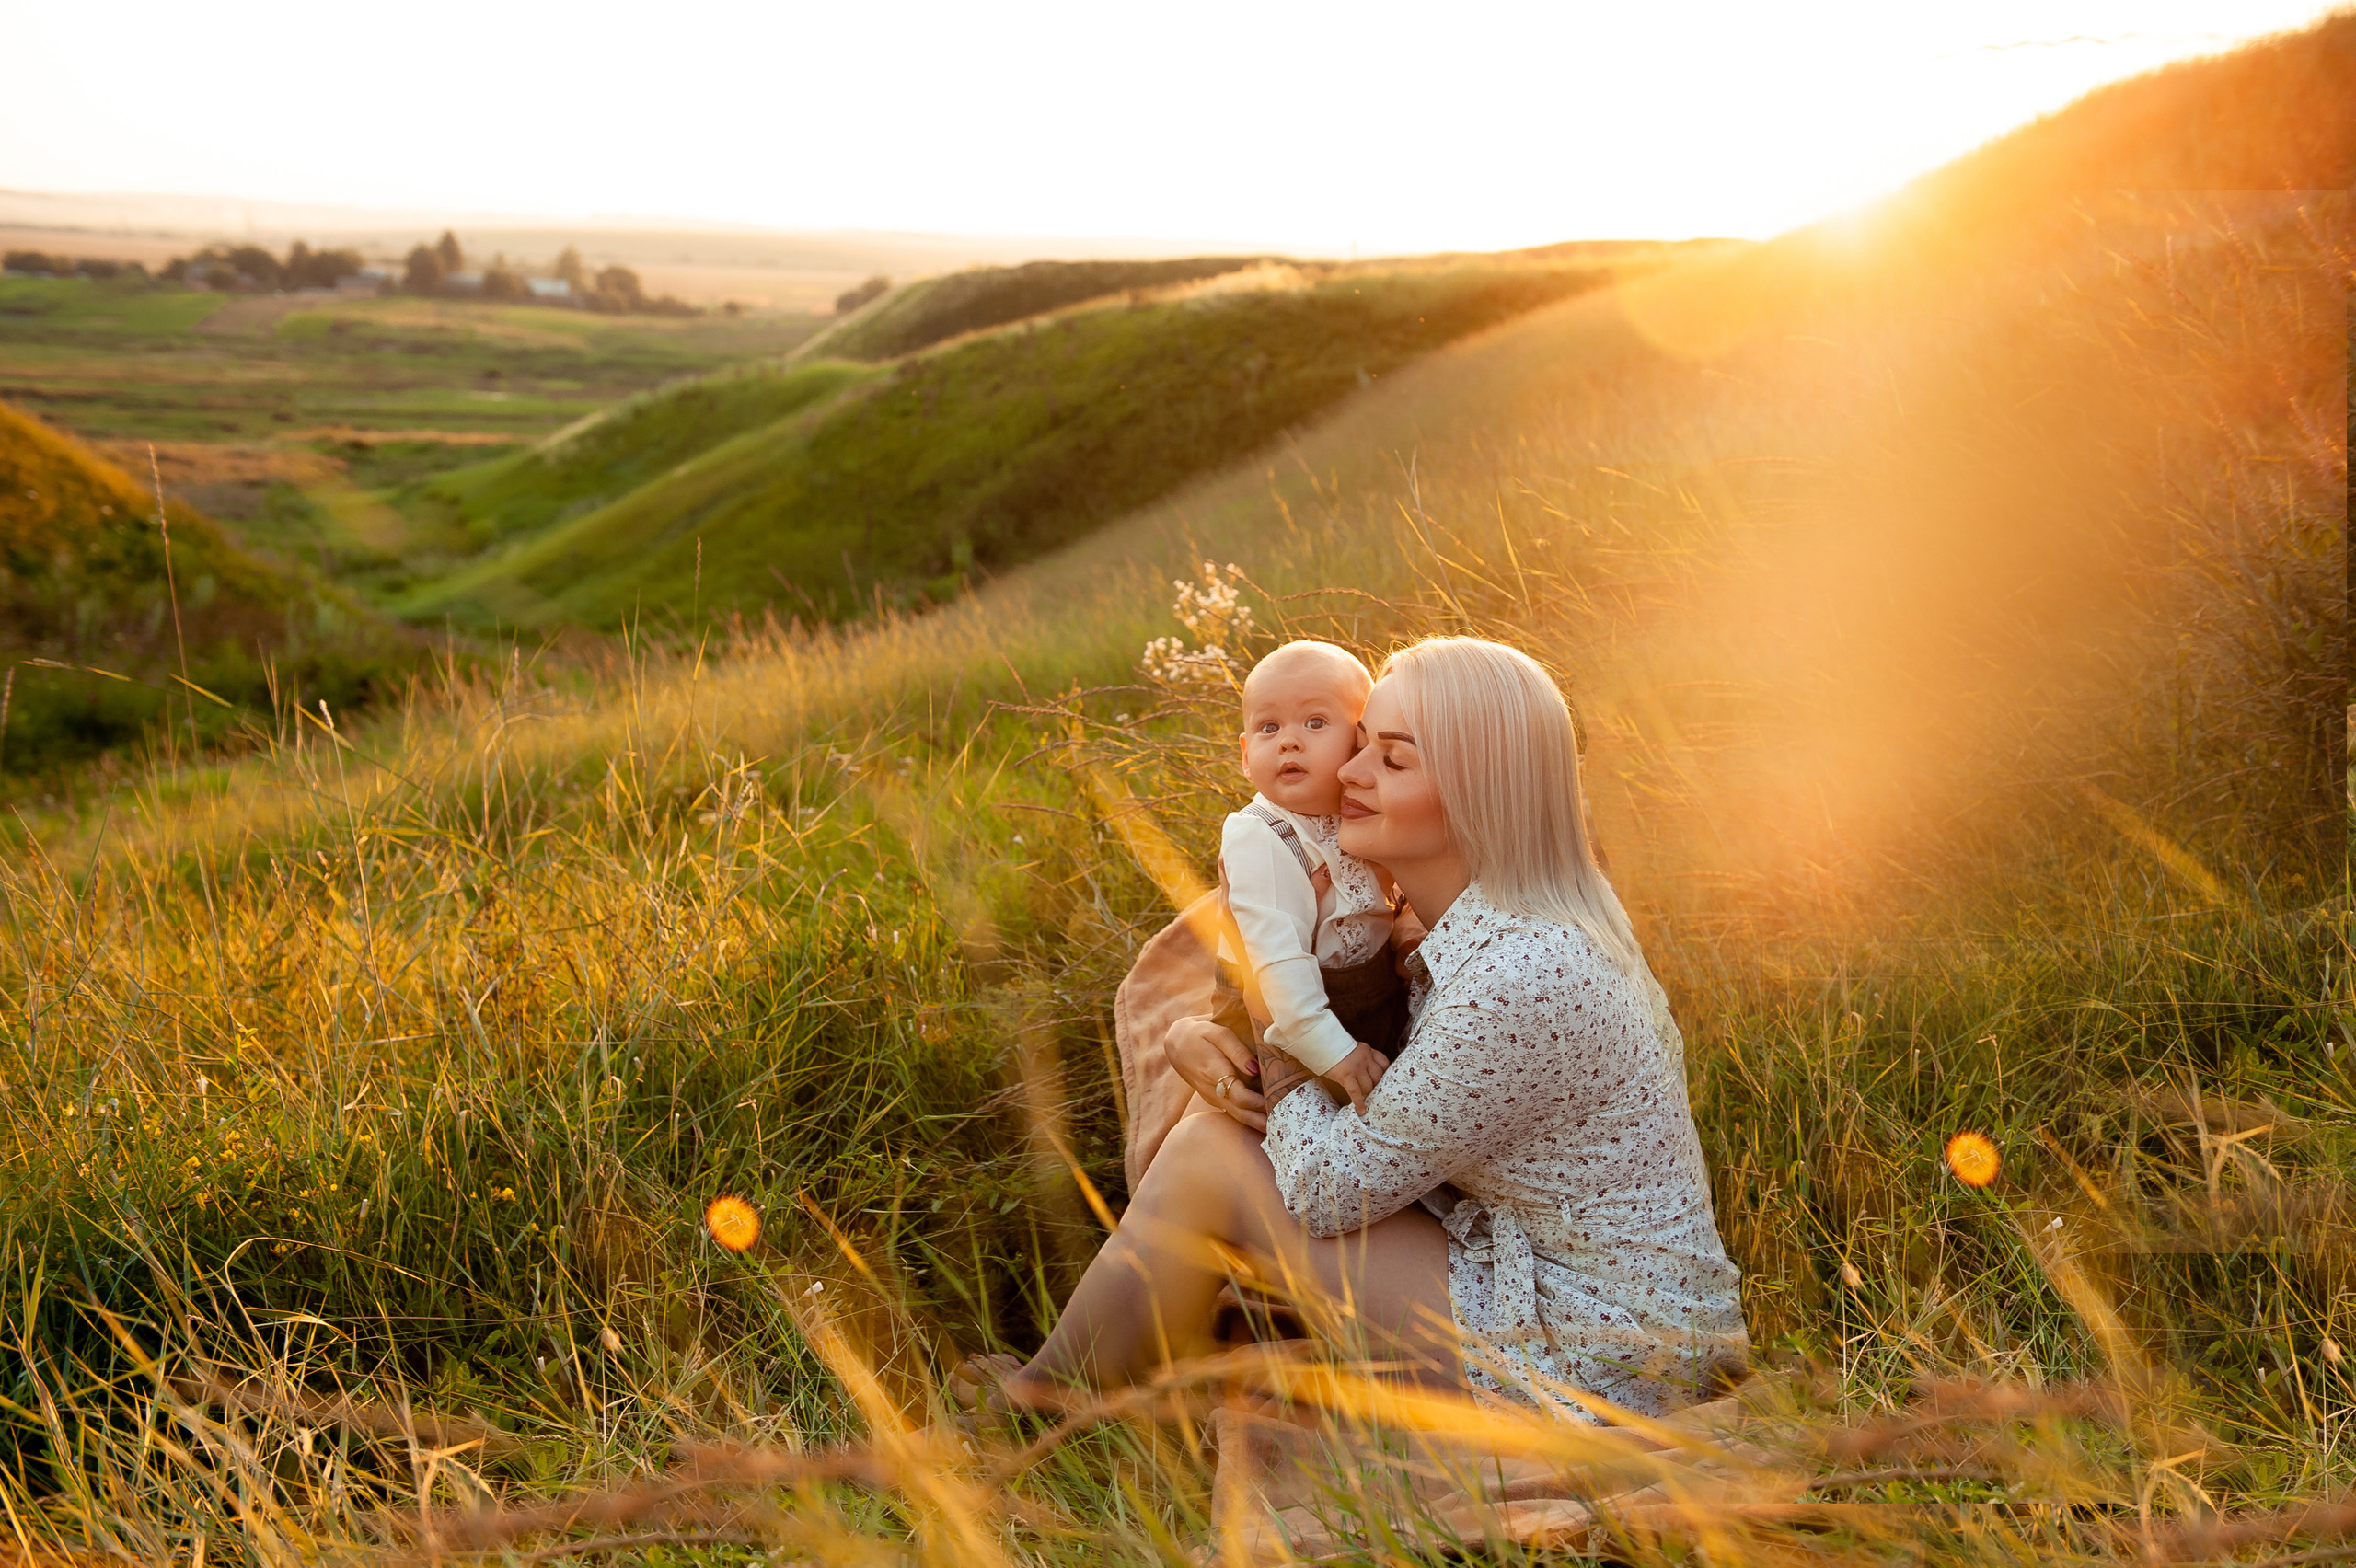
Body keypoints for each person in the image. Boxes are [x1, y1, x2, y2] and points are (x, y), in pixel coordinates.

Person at [954, 636, 1750, 1419]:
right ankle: (1068, 1385)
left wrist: (1274, 1028)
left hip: (1607, 1354)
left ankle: (1033, 1409)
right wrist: (1204, 1032)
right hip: (1573, 1286)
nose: (1348, 772)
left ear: (1478, 793)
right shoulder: (1498, 919)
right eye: (1361, 743)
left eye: (1392, 760)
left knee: (1212, 1154)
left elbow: (1322, 1191)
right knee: (1222, 1139)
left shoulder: (1520, 975)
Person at [1209, 640, 1405, 1118]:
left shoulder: (1356, 814)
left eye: (1315, 723)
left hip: (1364, 999)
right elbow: (1277, 966)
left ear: (1360, 740)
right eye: (1268, 727)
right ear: (1244, 754)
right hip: (1285, 1021)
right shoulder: (1258, 834)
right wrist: (1333, 1051)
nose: (1288, 742)